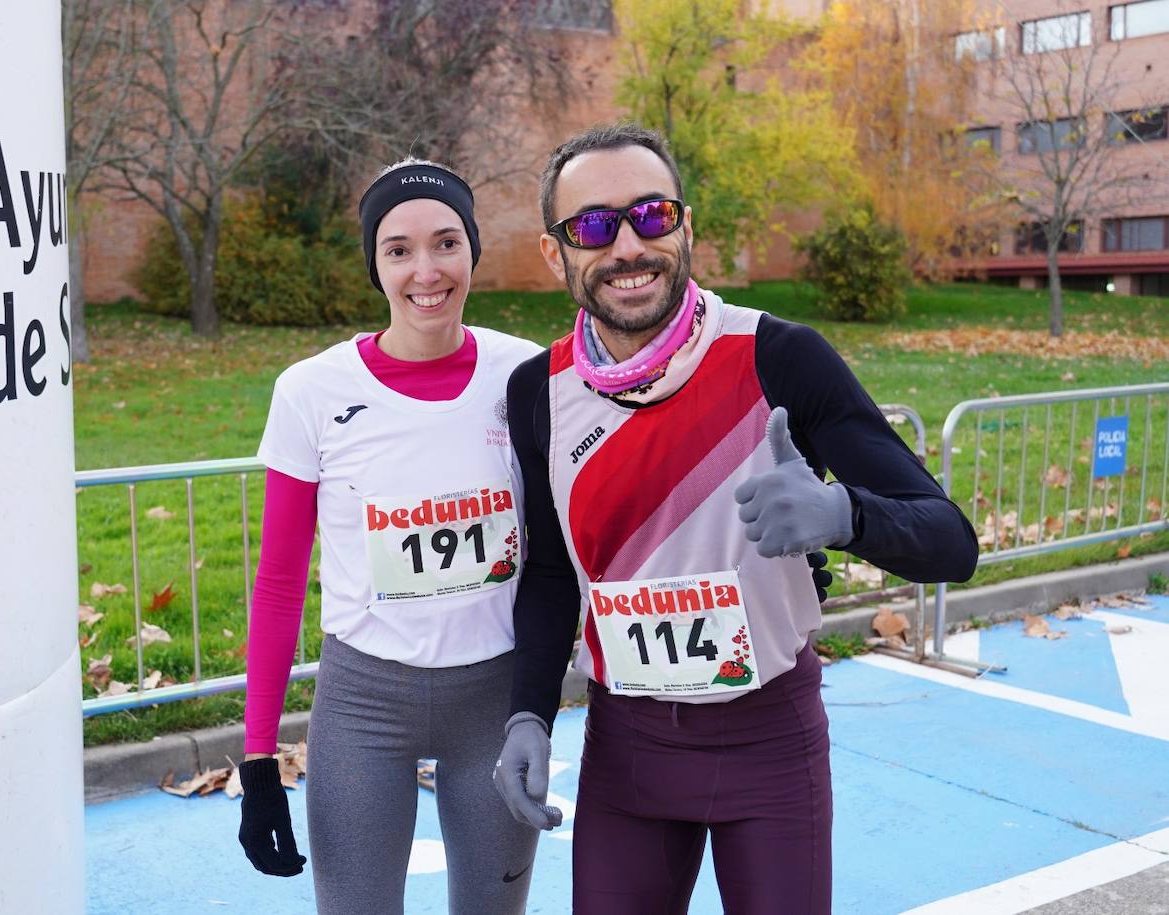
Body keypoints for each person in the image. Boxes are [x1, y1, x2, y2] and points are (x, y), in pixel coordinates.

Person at [492, 123, 979, 915]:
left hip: (769, 746)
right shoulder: (536, 392)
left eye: (651, 215)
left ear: (686, 227)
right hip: (628, 757)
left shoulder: (779, 356)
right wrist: (528, 714)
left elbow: (951, 542)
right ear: (557, 254)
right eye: (594, 226)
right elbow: (549, 575)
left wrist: (843, 513)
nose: (627, 245)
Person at [234, 158, 549, 915]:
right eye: (399, 249)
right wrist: (257, 758)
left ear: (473, 250)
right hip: (363, 705)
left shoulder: (527, 374)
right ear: (375, 265)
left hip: (494, 701)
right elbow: (279, 581)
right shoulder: (311, 391)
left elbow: (576, 535)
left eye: (446, 243)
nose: (426, 271)